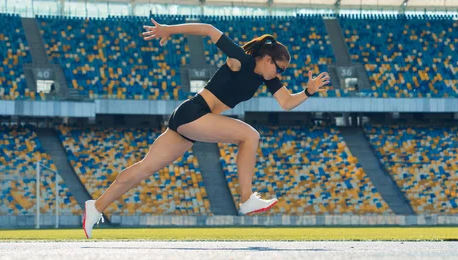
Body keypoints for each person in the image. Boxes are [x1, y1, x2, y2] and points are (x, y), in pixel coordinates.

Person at [82, 18, 330, 238]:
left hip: (190, 119)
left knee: (145, 168)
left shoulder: (267, 79)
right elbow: (209, 30)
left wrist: (309, 91)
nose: (280, 73)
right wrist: (169, 29)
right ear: (267, 59)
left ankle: (95, 207)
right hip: (194, 113)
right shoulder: (241, 60)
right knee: (249, 136)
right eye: (279, 68)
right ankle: (246, 199)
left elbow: (286, 102)